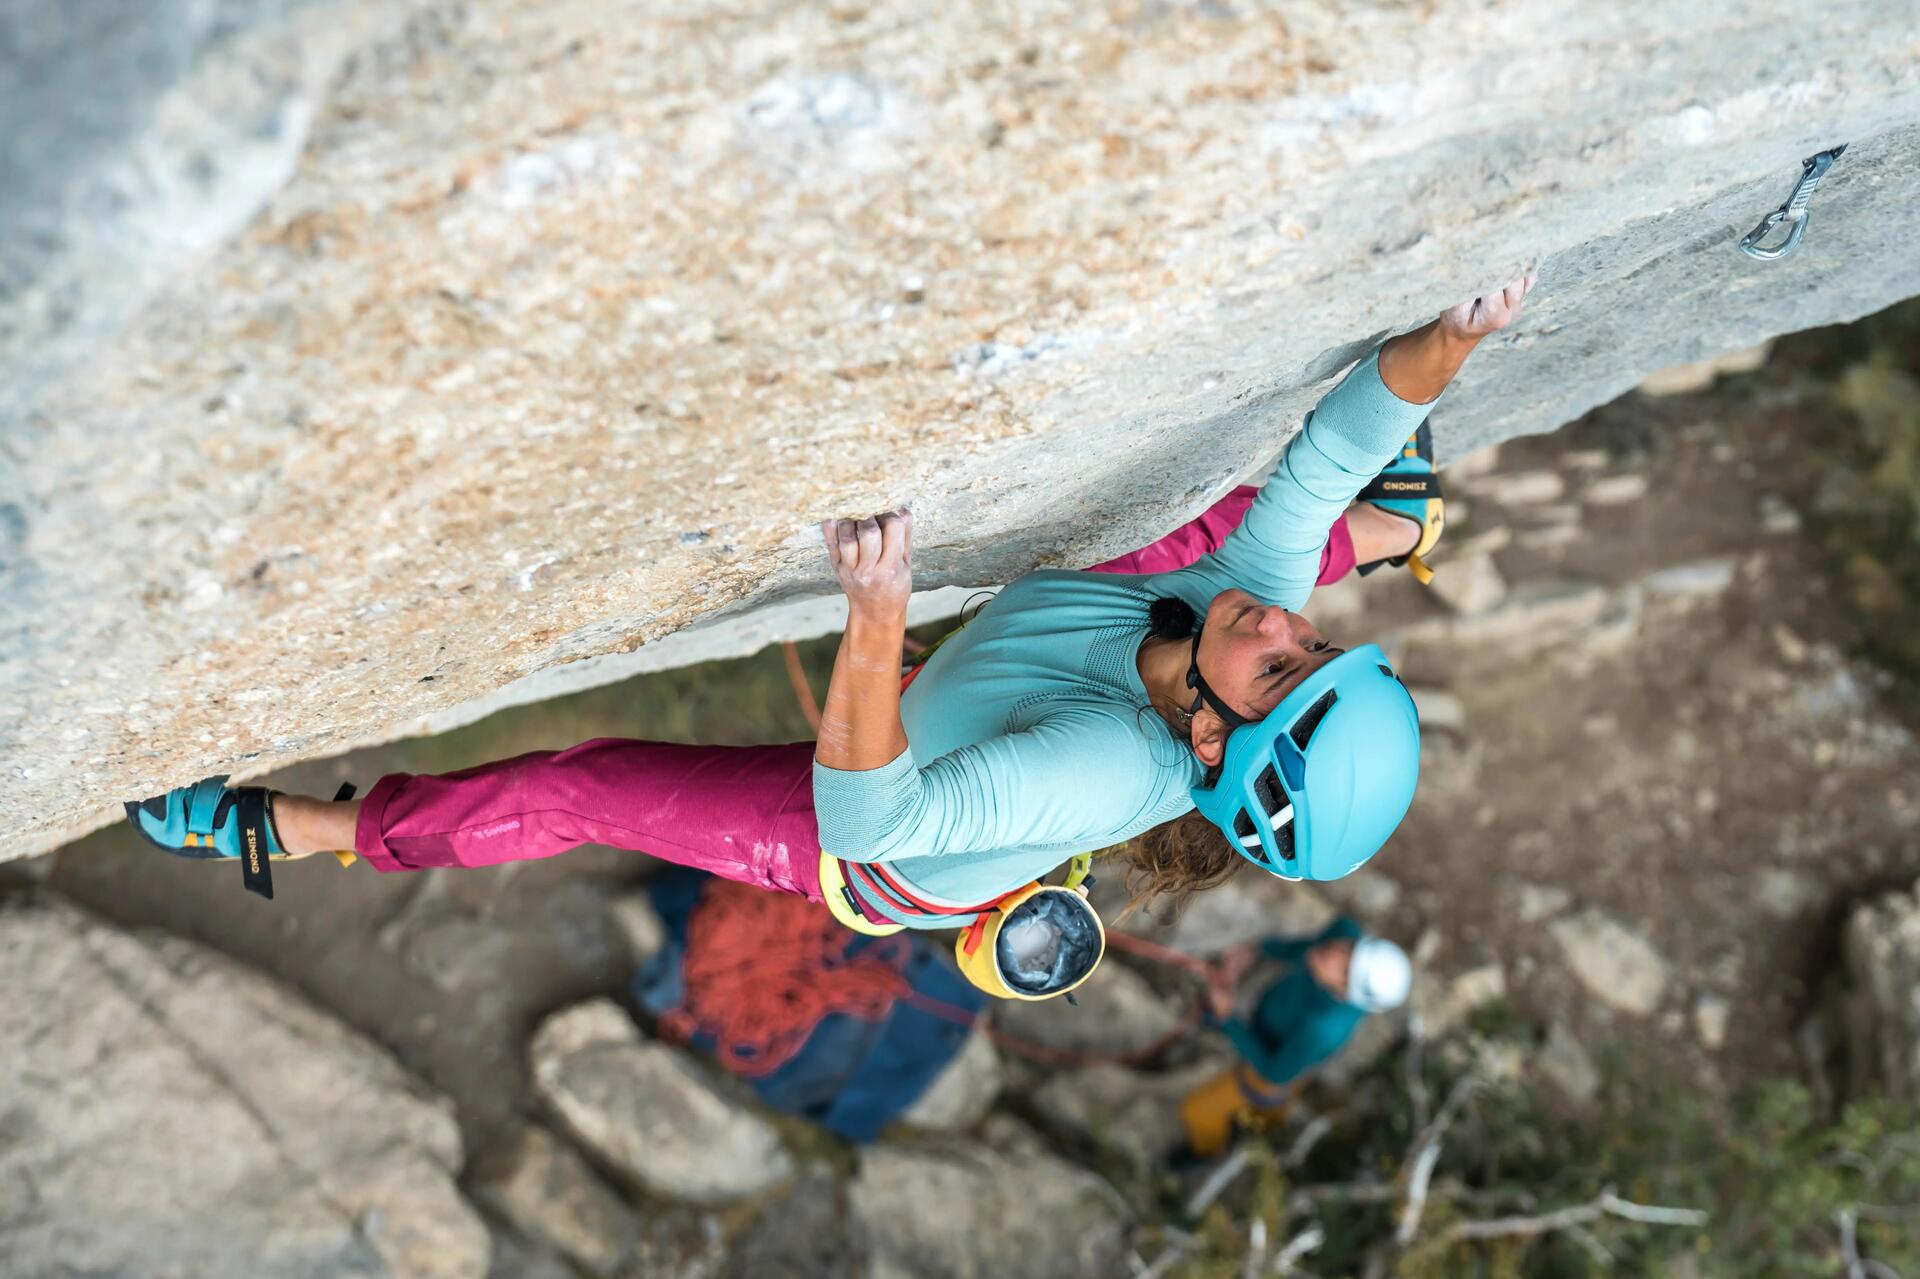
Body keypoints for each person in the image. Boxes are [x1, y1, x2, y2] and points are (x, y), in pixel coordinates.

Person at [125, 274, 1535, 970]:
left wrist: (875, 620)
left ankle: (298, 828)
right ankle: (1402, 529)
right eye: (1310, 641)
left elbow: (868, 815)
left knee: (581, 785)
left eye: (1283, 662)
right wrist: (1460, 336)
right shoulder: (1228, 636)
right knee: (1227, 531)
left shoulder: (1113, 764)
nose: (1283, 625)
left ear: (1215, 733)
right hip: (994, 700)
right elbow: (1330, 445)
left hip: (882, 837)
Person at [1180, 917, 1412, 1158]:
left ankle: (1203, 1151)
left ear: (1343, 994)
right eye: (1350, 949)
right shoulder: (1344, 932)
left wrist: (1228, 1019)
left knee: (1197, 1113)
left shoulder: (1323, 1029)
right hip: (1273, 1023)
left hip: (1277, 1061)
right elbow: (1308, 947)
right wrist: (1260, 948)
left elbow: (1275, 1073)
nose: (1334, 954)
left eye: (1344, 970)